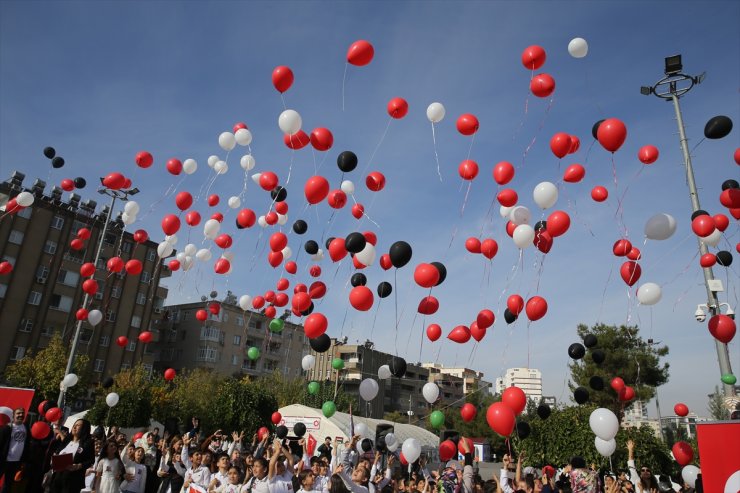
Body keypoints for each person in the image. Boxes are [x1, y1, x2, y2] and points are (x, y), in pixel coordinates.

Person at [49, 419, 96, 493]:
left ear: (84, 428)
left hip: (72, 480)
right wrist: (54, 458)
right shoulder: (67, 440)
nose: (74, 427)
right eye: (74, 424)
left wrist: (78, 466)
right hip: (57, 477)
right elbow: (57, 451)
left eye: (78, 425)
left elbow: (91, 460)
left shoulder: (88, 443)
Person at [0, 407, 30, 493]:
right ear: (13, 415)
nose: (21, 415)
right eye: (18, 413)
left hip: (16, 462)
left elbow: (27, 445)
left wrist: (24, 461)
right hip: (3, 460)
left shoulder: (26, 428)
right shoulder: (7, 428)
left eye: (22, 413)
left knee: (8, 484)